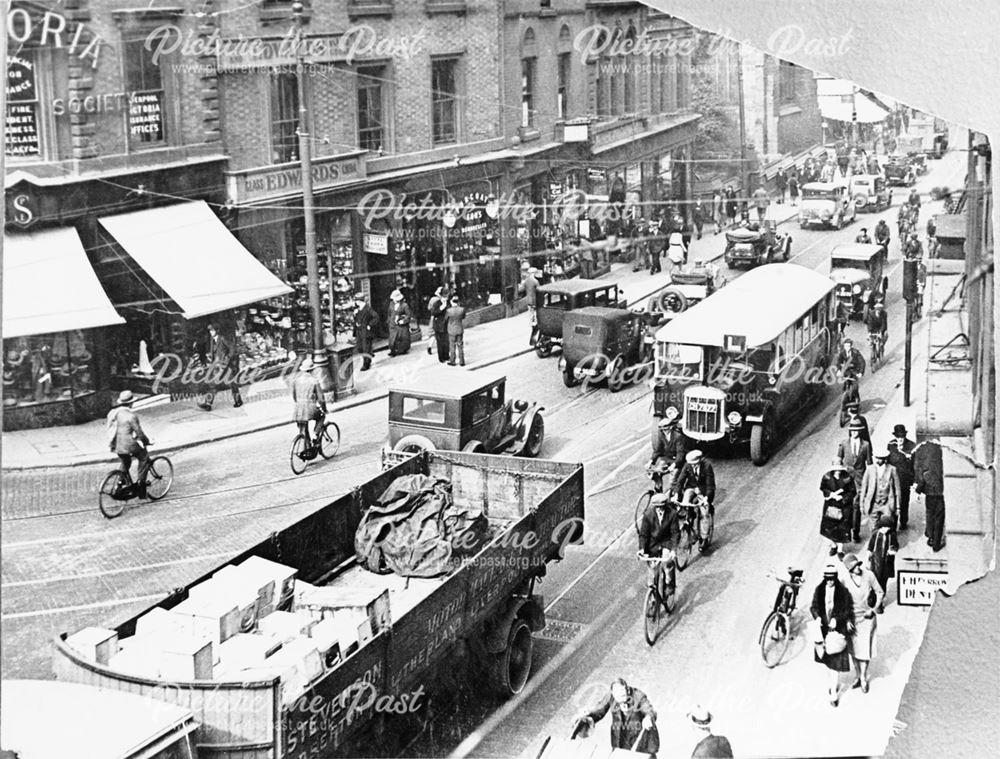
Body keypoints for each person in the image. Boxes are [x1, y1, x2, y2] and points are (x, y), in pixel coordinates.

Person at [810, 563, 855, 707]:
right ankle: (832, 683)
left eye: (832, 579)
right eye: (827, 579)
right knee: (828, 661)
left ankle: (833, 693)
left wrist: (837, 619)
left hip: (837, 632)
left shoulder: (843, 592)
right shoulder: (819, 589)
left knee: (835, 663)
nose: (830, 581)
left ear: (836, 578)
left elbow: (847, 610)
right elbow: (814, 606)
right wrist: (817, 616)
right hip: (823, 631)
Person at [579, 678, 660, 756]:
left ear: (627, 690)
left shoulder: (639, 695)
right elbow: (599, 710)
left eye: (623, 695)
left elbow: (650, 710)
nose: (620, 699)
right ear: (613, 693)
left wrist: (648, 718)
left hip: (642, 740)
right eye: (618, 697)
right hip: (620, 738)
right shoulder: (611, 695)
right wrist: (588, 716)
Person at [842, 553, 884, 695]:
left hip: (867, 618)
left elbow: (880, 592)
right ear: (849, 570)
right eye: (854, 568)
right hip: (852, 619)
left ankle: (863, 677)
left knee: (864, 650)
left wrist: (874, 609)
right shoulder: (844, 580)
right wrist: (847, 619)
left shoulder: (869, 575)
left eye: (858, 565)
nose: (857, 569)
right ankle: (857, 675)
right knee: (853, 650)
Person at [638, 493, 681, 610]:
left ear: (666, 505)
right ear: (654, 506)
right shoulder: (648, 515)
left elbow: (675, 533)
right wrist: (642, 549)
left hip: (666, 542)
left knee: (667, 562)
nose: (660, 509)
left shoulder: (672, 514)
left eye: (662, 506)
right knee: (652, 573)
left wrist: (673, 550)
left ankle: (669, 583)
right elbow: (643, 534)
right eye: (657, 507)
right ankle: (652, 600)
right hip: (653, 544)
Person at [106, 390, 152, 497]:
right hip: (129, 445)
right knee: (144, 457)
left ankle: (120, 482)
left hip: (117, 445)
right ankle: (141, 487)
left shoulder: (114, 413)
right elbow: (139, 433)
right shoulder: (131, 416)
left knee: (125, 462)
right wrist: (146, 441)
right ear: (131, 403)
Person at [837, 419, 872, 543]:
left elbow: (869, 464)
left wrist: (869, 480)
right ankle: (845, 532)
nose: (854, 433)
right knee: (845, 505)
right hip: (846, 479)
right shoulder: (844, 444)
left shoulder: (866, 445)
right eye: (852, 430)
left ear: (860, 431)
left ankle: (855, 532)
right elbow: (838, 461)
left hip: (859, 480)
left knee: (856, 506)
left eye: (857, 430)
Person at [860, 445, 901, 546]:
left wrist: (898, 506)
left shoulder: (892, 469)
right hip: (873, 503)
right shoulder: (869, 469)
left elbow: (897, 489)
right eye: (876, 458)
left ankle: (888, 543)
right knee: (874, 526)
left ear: (885, 459)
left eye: (880, 458)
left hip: (887, 503)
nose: (877, 460)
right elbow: (864, 488)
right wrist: (862, 504)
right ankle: (875, 545)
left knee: (888, 524)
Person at [199, 323, 243, 411]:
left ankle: (238, 401)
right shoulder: (212, 339)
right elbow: (215, 351)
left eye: (212, 330)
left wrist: (227, 358)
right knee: (213, 384)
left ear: (217, 331)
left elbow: (232, 348)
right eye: (210, 331)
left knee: (232, 384)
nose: (211, 332)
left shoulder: (222, 338)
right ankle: (208, 404)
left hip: (227, 365)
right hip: (218, 366)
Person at [820, 456, 856, 557]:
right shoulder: (826, 477)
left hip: (844, 507)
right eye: (836, 469)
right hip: (831, 505)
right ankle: (833, 545)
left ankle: (840, 550)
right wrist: (830, 494)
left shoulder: (847, 478)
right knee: (830, 526)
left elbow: (853, 491)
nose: (838, 471)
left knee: (843, 527)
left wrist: (843, 498)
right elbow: (823, 488)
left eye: (839, 469)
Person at [914, 441, 946, 551]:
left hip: (930, 495)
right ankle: (936, 543)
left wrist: (917, 491)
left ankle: (930, 537)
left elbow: (922, 479)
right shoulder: (943, 464)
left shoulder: (927, 466)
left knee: (930, 515)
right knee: (939, 518)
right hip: (941, 495)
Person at [649, 408, 688, 493]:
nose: (664, 431)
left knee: (672, 481)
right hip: (667, 459)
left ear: (671, 427)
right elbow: (658, 450)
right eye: (662, 429)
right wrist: (651, 461)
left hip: (677, 462)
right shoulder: (662, 435)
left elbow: (680, 455)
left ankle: (676, 496)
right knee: (656, 472)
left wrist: (674, 465)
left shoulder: (678, 437)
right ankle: (659, 489)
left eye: (665, 429)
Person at [291, 356, 326, 447]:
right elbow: (321, 398)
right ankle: (315, 434)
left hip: (298, 409)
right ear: (312, 370)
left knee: (303, 429)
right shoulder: (314, 381)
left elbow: (294, 396)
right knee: (321, 417)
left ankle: (307, 448)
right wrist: (323, 408)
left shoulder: (296, 380)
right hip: (310, 407)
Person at [888, 424, 916, 529]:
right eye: (898, 437)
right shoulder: (890, 445)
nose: (900, 439)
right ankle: (893, 524)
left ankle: (903, 522)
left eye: (902, 437)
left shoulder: (912, 446)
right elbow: (888, 462)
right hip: (894, 480)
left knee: (904, 502)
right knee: (894, 502)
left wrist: (913, 481)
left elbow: (915, 465)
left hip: (905, 480)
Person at [867, 514, 896, 610]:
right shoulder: (876, 534)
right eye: (884, 527)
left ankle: (879, 603)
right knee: (875, 581)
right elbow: (870, 547)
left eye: (888, 528)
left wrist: (893, 551)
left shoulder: (891, 535)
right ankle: (872, 598)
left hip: (887, 563)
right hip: (876, 563)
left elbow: (896, 545)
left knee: (883, 583)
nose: (886, 530)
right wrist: (868, 558)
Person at [674, 449, 716, 515]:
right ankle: (688, 519)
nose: (693, 466)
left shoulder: (707, 466)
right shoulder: (687, 465)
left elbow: (710, 484)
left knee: (705, 513)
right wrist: (676, 494)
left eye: (695, 464)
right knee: (685, 503)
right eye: (691, 464)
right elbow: (680, 480)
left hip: (703, 489)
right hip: (691, 487)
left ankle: (708, 514)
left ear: (699, 461)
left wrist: (706, 498)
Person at [353, 293, 377, 371]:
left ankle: (366, 364)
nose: (355, 302)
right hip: (359, 331)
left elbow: (376, 317)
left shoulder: (368, 309)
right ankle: (369, 355)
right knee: (359, 348)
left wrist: (370, 325)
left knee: (365, 348)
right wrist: (355, 315)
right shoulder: (358, 309)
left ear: (359, 301)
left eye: (356, 300)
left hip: (365, 331)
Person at [427, 286, 450, 363]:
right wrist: (441, 308)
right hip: (438, 325)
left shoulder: (449, 303)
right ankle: (441, 358)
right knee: (440, 343)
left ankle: (446, 356)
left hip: (446, 325)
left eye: (447, 296)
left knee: (446, 342)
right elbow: (433, 312)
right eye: (445, 296)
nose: (446, 297)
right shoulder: (437, 303)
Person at [518, 266, 541, 344]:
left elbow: (520, 289)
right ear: (533, 273)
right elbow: (539, 291)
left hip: (528, 301)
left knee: (531, 314)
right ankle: (535, 327)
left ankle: (532, 324)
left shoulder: (526, 281)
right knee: (536, 314)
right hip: (535, 301)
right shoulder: (535, 281)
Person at [387, 290, 412, 356]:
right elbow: (389, 313)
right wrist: (389, 321)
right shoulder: (391, 304)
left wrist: (403, 321)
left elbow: (408, 315)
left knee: (402, 337)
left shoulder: (404, 305)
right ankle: (392, 350)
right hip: (393, 324)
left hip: (401, 325)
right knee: (392, 338)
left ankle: (402, 350)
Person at [446, 295, 466, 366]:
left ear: (451, 301)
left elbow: (446, 319)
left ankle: (453, 361)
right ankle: (462, 361)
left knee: (452, 346)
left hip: (451, 329)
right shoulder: (462, 309)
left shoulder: (448, 310)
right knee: (460, 345)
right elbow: (463, 317)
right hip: (459, 328)